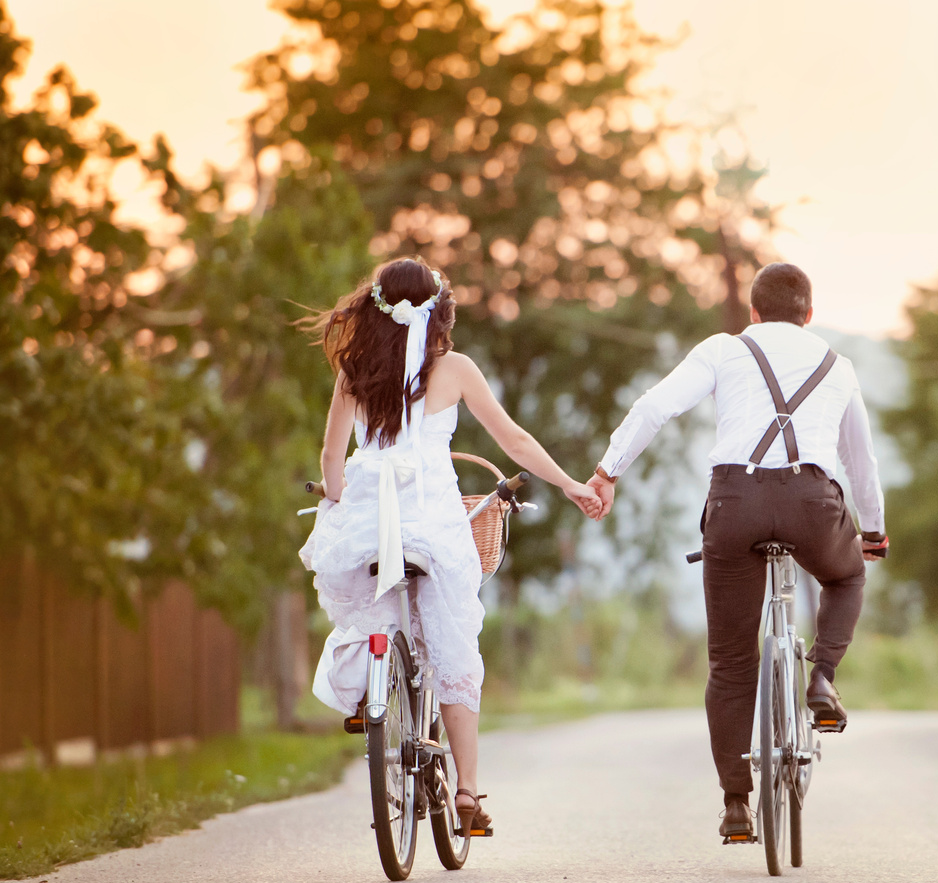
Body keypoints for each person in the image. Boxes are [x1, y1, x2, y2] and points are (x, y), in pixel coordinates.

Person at [300, 256, 601, 836]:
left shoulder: (351, 372)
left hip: (369, 520)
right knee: (454, 651)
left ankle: (374, 691)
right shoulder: (456, 369)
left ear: (375, 309)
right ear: (438, 312)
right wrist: (569, 484)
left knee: (372, 619)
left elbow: (332, 460)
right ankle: (466, 791)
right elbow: (512, 438)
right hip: (434, 525)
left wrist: (335, 503)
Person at [586, 262, 888, 840]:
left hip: (734, 503)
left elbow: (655, 406)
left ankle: (735, 806)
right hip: (811, 504)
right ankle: (822, 678)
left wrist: (608, 471)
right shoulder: (838, 365)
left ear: (753, 311)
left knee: (729, 662)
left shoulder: (724, 350)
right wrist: (871, 532)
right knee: (847, 579)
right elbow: (860, 461)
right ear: (808, 315)